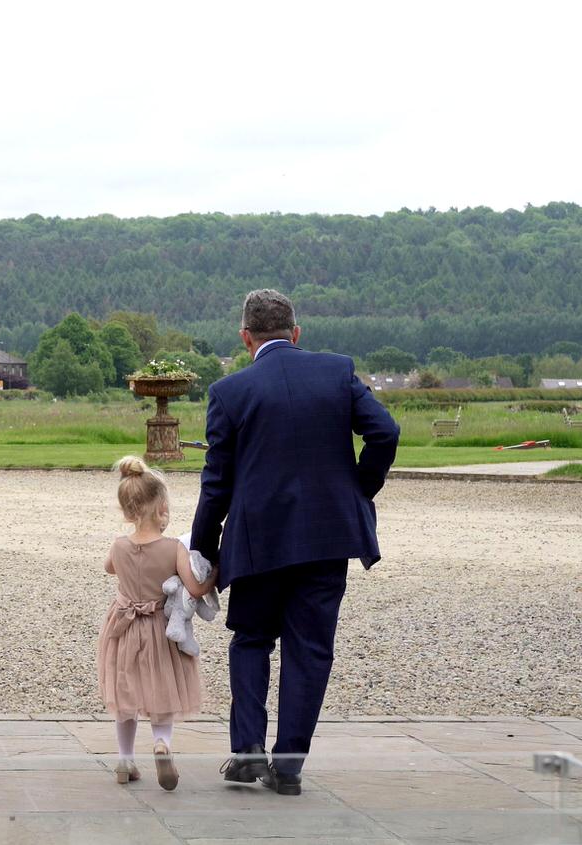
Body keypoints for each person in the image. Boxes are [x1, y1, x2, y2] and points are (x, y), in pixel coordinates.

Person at [190, 288, 399, 796]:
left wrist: (203, 548)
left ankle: (247, 751)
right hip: (327, 536)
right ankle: (288, 767)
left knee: (252, 639)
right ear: (296, 333)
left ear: (246, 337)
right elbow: (385, 433)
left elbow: (216, 483)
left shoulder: (230, 391)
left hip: (258, 540)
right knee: (310, 650)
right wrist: (357, 490)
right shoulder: (337, 371)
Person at [98, 456, 207, 791]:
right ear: (162, 507)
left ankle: (125, 759)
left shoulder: (119, 545)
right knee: (162, 688)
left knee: (125, 693)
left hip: (124, 628)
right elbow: (195, 588)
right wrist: (213, 573)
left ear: (126, 511)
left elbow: (109, 568)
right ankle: (161, 743)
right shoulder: (173, 548)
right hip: (160, 628)